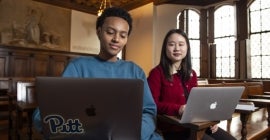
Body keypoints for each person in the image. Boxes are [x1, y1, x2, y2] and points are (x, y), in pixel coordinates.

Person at [32, 7, 162, 140]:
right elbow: (54, 107)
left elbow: (148, 111)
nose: (116, 39)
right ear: (99, 32)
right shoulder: (78, 66)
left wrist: (135, 135)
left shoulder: (135, 71)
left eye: (123, 35)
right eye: (110, 32)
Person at [147, 29, 236, 140]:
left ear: (187, 48)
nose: (177, 48)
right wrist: (178, 109)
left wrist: (210, 120)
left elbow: (197, 103)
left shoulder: (192, 73)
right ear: (165, 48)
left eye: (181, 44)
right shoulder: (156, 73)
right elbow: (152, 105)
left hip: (197, 125)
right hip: (174, 129)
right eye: (171, 44)